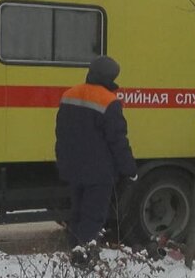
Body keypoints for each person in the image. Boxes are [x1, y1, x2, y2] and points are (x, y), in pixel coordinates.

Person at [55, 56, 137, 260]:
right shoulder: (109, 102)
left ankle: (74, 252)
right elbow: (118, 141)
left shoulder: (69, 94)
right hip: (98, 173)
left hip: (72, 168)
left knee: (77, 214)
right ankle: (84, 259)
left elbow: (61, 131)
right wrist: (129, 169)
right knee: (92, 217)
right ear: (110, 77)